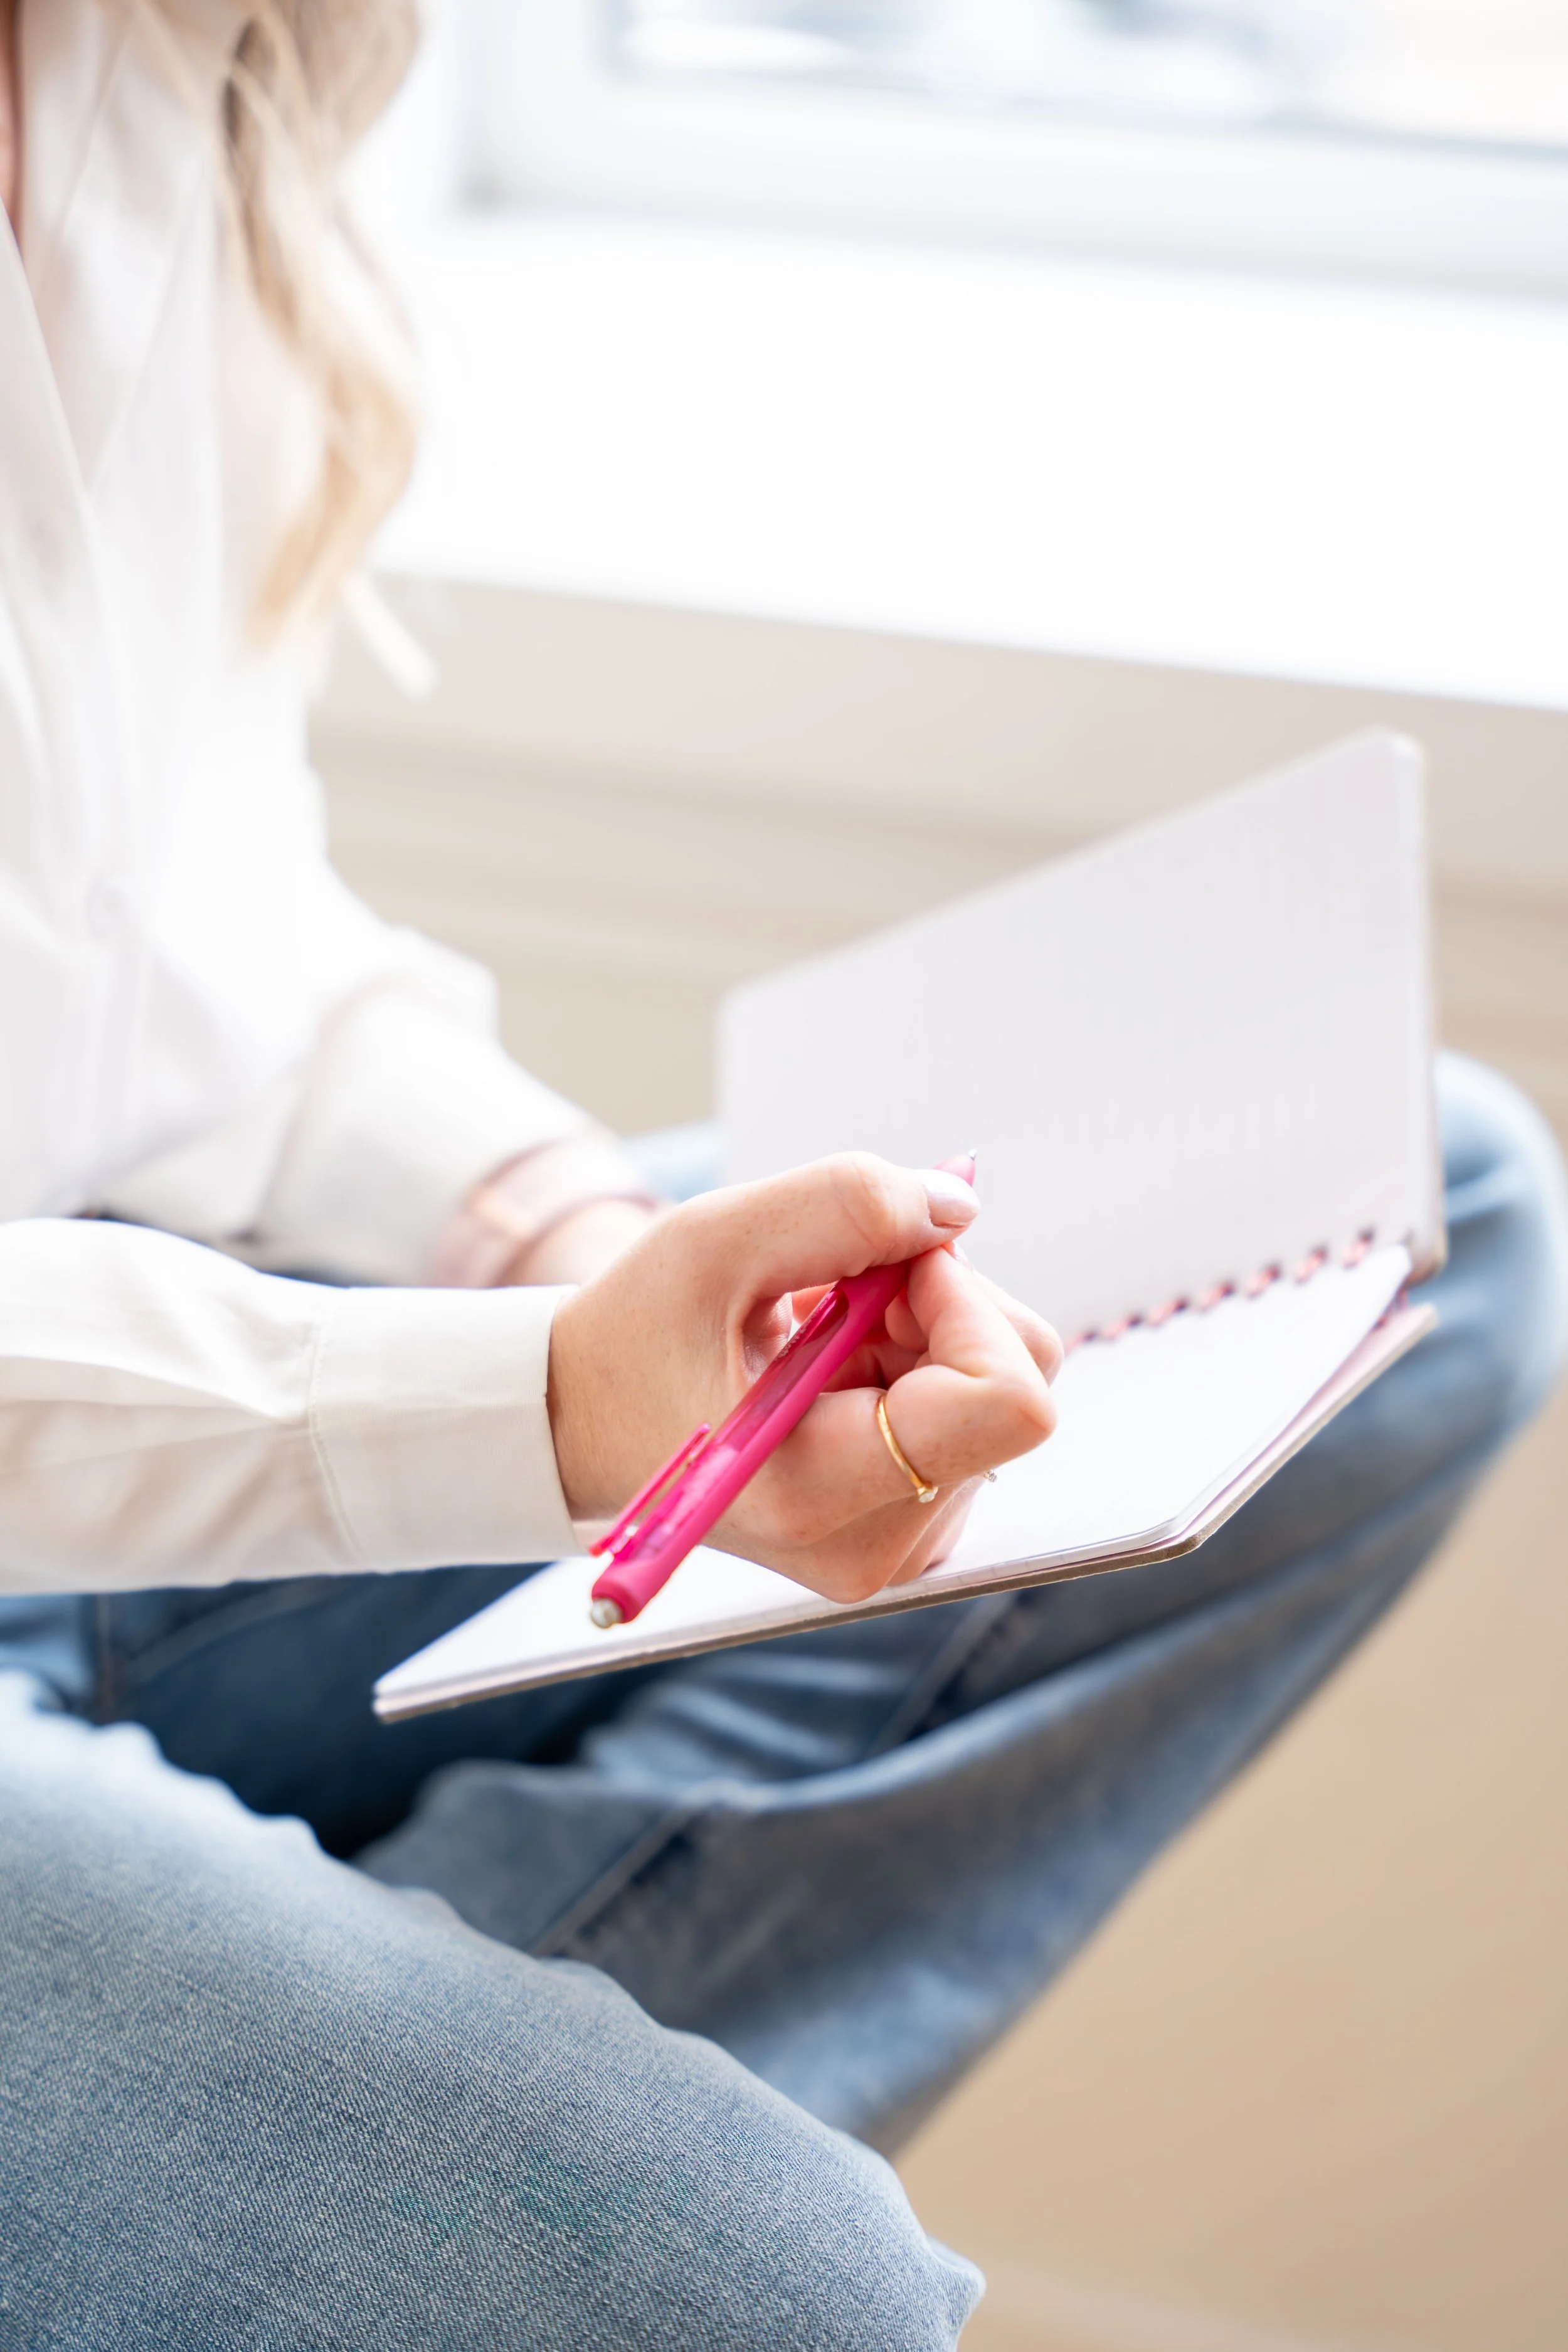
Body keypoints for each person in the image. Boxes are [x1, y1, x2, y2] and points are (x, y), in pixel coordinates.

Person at [1, 6, 1564, 2349]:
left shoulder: (158, 52)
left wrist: (580, 1238)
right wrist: (548, 1398)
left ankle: (449, 2188)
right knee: (770, 2292)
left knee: (1424, 1213)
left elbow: (166, 925)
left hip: (90, 1414)